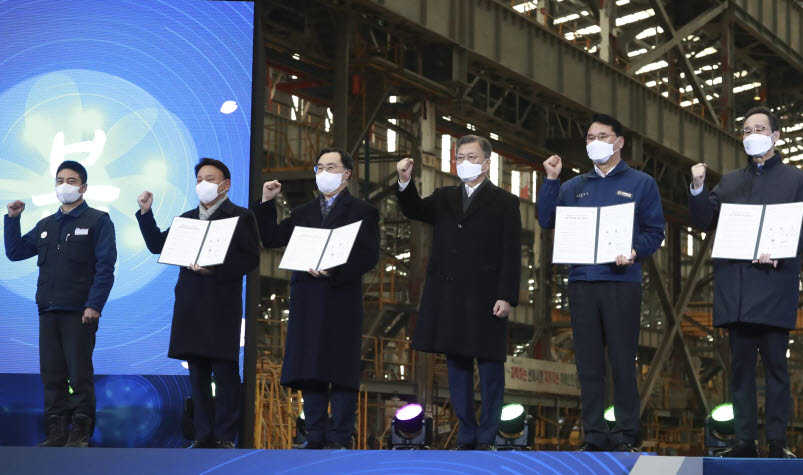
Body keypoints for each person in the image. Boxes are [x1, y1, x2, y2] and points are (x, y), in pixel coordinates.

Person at [688, 106, 803, 458]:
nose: (752, 134)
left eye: (759, 128)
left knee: (777, 369)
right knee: (741, 372)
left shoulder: (796, 180)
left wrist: (779, 249)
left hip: (774, 285)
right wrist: (698, 187)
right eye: (746, 130)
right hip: (738, 291)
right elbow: (704, 219)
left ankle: (778, 442)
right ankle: (744, 441)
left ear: (776, 136)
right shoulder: (729, 181)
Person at [537, 114, 665, 452]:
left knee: (623, 362)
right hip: (582, 283)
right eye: (590, 136)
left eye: (603, 135)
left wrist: (635, 251)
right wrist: (551, 180)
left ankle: (626, 435)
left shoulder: (641, 183)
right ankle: (593, 435)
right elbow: (546, 219)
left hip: (622, 282)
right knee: (588, 364)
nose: (595, 141)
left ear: (619, 142)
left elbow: (656, 232)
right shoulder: (573, 187)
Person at [395, 135, 521, 450]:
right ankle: (467, 433)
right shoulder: (444, 197)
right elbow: (414, 209)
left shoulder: (505, 202)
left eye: (471, 157)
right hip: (450, 295)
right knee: (457, 369)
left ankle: (488, 434)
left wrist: (506, 295)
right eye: (460, 157)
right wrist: (404, 180)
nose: (464, 162)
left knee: (491, 368)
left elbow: (511, 253)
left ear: (487, 163)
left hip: (488, 296)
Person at [253, 147, 379, 450]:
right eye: (319, 167)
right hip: (308, 299)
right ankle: (316, 433)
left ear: (346, 173)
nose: (324, 172)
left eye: (331, 167)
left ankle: (339, 436)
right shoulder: (302, 212)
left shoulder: (363, 211)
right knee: (311, 369)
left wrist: (334, 272)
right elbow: (271, 238)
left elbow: (368, 256)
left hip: (340, 298)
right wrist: (267, 202)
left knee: (341, 369)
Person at [134, 158, 260, 449]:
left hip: (221, 305)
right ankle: (202, 436)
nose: (203, 184)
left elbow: (250, 258)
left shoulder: (241, 217)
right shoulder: (187, 218)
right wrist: (145, 212)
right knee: (197, 373)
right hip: (191, 304)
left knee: (226, 372)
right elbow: (157, 245)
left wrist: (215, 268)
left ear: (225, 184)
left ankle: (226, 436)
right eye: (200, 179)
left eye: (210, 178)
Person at [4, 160, 117, 448]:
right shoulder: (46, 225)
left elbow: (105, 266)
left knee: (79, 373)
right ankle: (55, 432)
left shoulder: (98, 220)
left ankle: (80, 432)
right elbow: (15, 253)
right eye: (59, 180)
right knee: (51, 373)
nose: (64, 185)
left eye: (71, 180)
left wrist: (95, 305)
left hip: (80, 311)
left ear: (83, 187)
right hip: (48, 309)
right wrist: (12, 219)